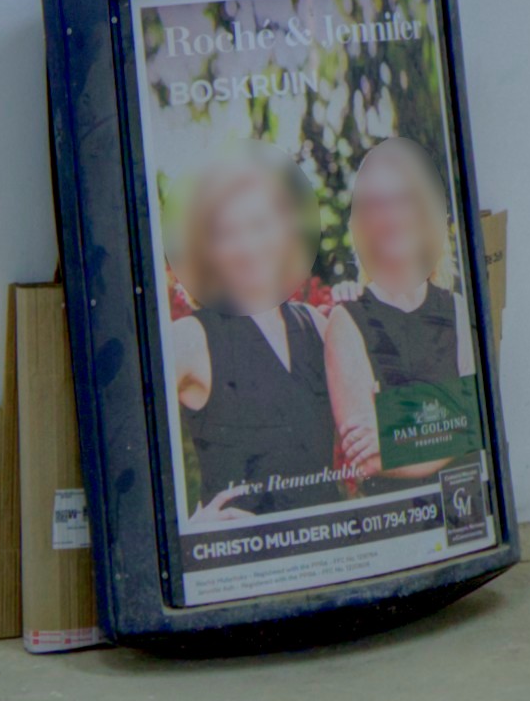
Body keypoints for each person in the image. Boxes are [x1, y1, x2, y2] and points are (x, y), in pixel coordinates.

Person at [161, 153, 369, 517]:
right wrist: (188, 527)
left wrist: (360, 317)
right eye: (227, 234)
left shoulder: (317, 326)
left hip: (329, 541)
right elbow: (124, 432)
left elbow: (383, 413)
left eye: (259, 225)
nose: (248, 246)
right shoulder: (192, 338)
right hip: (247, 551)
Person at [331, 137, 476, 456]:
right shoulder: (348, 318)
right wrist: (453, 419)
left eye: (403, 200)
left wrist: (391, 432)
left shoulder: (456, 309)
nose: (391, 216)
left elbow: (478, 425)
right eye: (375, 204)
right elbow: (366, 458)